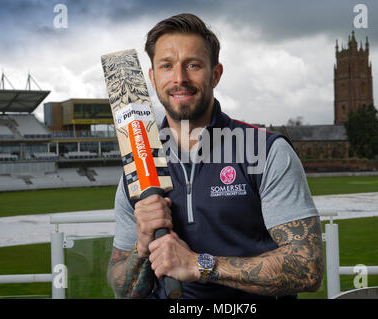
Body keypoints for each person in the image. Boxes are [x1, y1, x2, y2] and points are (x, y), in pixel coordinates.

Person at [107, 13, 324, 299]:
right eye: (166, 66)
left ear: (216, 74)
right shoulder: (137, 168)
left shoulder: (265, 152)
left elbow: (307, 268)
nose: (179, 78)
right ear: (152, 77)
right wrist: (142, 245)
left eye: (193, 65)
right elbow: (123, 290)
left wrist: (200, 265)